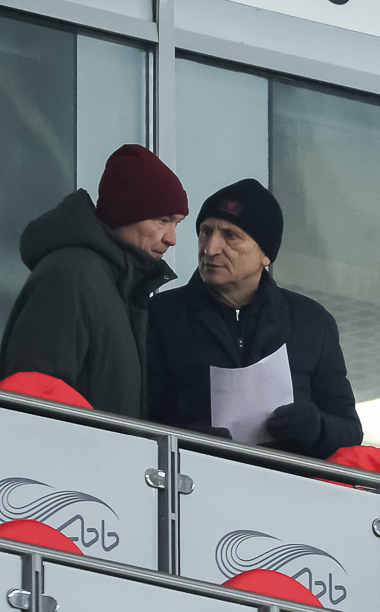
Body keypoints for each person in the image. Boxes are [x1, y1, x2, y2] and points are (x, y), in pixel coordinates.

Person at [146, 178, 361, 458]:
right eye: (205, 232)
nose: (210, 248)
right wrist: (188, 439)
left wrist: (316, 427)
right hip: (193, 480)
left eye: (230, 236)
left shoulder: (312, 323)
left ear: (266, 254)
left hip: (287, 484)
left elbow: (350, 431)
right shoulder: (160, 316)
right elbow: (134, 418)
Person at [0, 143, 188, 418]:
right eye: (162, 220)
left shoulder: (117, 286)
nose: (172, 239)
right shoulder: (71, 278)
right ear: (126, 212)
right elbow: (33, 400)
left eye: (177, 224)